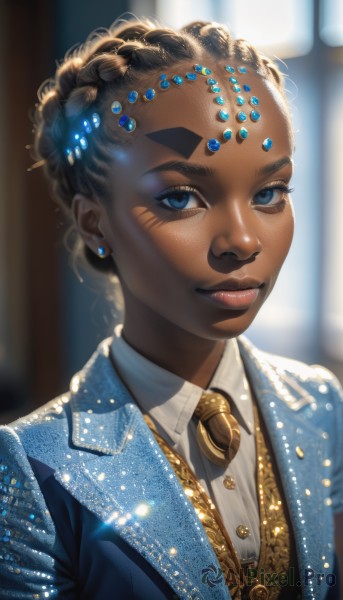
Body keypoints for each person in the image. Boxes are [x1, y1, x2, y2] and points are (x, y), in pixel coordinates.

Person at [0, 17, 342, 600]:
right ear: (94, 221)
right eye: (180, 196)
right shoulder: (36, 467)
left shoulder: (321, 405)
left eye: (269, 193)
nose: (242, 239)